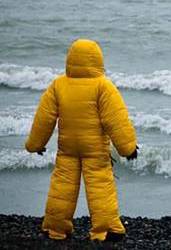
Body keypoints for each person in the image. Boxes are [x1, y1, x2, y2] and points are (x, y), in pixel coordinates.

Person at [24, 39, 138, 242]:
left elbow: (45, 117)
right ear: (97, 60)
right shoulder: (103, 86)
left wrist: (36, 144)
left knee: (62, 187)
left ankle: (54, 228)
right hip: (94, 149)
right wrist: (127, 148)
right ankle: (105, 231)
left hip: (67, 148)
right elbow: (116, 120)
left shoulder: (58, 84)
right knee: (100, 187)